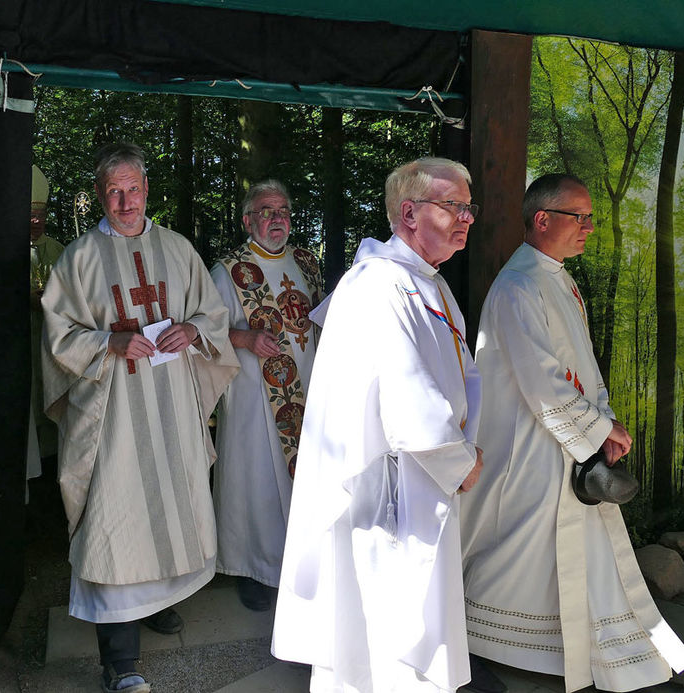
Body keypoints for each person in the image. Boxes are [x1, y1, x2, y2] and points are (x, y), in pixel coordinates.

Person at [461, 174, 684, 693]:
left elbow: (582, 366)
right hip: (531, 450)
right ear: (542, 219)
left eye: (590, 217)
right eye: (579, 217)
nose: (589, 227)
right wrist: (596, 429)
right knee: (525, 550)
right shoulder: (520, 284)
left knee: (570, 554)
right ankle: (492, 640)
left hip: (564, 442)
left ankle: (603, 655)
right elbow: (541, 381)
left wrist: (605, 419)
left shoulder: (557, 277)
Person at [272, 158, 484, 693]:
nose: (466, 218)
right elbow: (410, 401)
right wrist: (460, 459)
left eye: (468, 207)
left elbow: (461, 374)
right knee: (388, 627)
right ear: (409, 213)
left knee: (401, 622)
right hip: (388, 491)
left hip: (418, 478)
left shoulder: (425, 283)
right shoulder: (381, 285)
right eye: (453, 205)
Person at [41, 143, 239, 693]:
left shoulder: (177, 249)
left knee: (170, 510)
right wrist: (110, 341)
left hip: (172, 409)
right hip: (113, 416)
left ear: (147, 190)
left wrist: (194, 330)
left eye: (133, 189)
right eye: (113, 191)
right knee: (116, 518)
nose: (125, 201)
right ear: (101, 195)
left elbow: (213, 314)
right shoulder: (77, 260)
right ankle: (120, 660)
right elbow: (58, 338)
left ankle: (157, 603)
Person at [210, 180, 324, 611]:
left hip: (307, 388)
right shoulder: (227, 270)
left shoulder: (306, 262)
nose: (276, 219)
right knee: (256, 480)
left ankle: (301, 565)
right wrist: (244, 337)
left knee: (304, 478)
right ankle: (254, 569)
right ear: (247, 220)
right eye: (266, 211)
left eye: (282, 210)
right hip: (255, 396)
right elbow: (203, 329)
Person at [29, 165, 64, 472]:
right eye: (29, 214)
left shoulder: (59, 251)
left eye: (40, 214)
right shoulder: (5, 249)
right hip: (22, 339)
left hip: (52, 338)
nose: (35, 221)